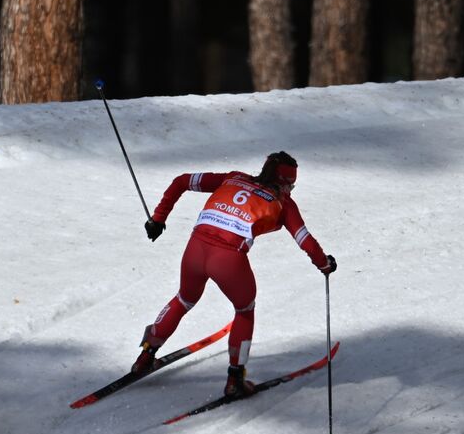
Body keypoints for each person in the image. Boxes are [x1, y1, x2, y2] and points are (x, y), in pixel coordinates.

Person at [132, 151, 336, 397]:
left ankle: (146, 355)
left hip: (195, 249)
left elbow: (182, 181)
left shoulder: (232, 178)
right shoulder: (283, 203)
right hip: (228, 258)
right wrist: (324, 265)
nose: (291, 189)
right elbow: (306, 241)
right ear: (283, 182)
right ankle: (235, 380)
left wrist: (158, 219)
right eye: (291, 184)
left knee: (184, 299)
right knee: (244, 309)